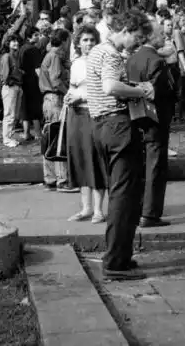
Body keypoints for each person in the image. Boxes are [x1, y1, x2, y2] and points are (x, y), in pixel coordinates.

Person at [86, 10, 154, 280]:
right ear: (125, 30)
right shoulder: (112, 54)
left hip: (101, 127)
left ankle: (121, 256)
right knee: (124, 197)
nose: (137, 44)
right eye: (136, 37)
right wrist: (141, 91)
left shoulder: (97, 51)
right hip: (118, 127)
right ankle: (115, 263)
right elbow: (110, 87)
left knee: (120, 193)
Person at [127, 22, 174, 227]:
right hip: (156, 119)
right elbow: (161, 92)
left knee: (140, 164)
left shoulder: (132, 59)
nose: (164, 37)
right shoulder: (157, 60)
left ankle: (139, 208)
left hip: (136, 116)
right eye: (161, 33)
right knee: (156, 165)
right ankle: (150, 213)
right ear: (150, 36)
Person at [65, 24, 107, 222]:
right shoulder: (76, 63)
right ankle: (86, 208)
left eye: (92, 40)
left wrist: (81, 96)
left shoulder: (102, 62)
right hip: (76, 115)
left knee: (96, 161)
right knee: (80, 159)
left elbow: (105, 90)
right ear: (78, 43)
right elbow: (73, 86)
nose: (89, 43)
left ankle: (98, 210)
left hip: (94, 114)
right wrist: (69, 96)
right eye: (85, 40)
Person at [38, 28, 74, 192]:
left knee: (50, 139)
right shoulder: (54, 57)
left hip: (48, 100)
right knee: (58, 139)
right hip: (55, 99)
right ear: (65, 41)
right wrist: (68, 93)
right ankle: (62, 180)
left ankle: (50, 179)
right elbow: (56, 81)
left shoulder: (51, 55)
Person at [19, 27, 43, 141]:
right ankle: (38, 134)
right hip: (33, 82)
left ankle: (26, 133)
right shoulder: (34, 49)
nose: (38, 37)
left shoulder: (22, 47)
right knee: (35, 108)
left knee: (25, 108)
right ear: (29, 37)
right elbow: (38, 69)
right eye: (36, 35)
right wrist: (43, 82)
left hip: (23, 81)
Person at [0, 34, 24, 148]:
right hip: (10, 88)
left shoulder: (15, 56)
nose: (16, 43)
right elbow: (5, 76)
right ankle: (7, 139)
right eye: (13, 41)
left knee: (15, 115)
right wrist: (12, 82)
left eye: (17, 41)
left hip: (17, 86)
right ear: (7, 43)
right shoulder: (6, 57)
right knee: (9, 115)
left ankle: (10, 136)